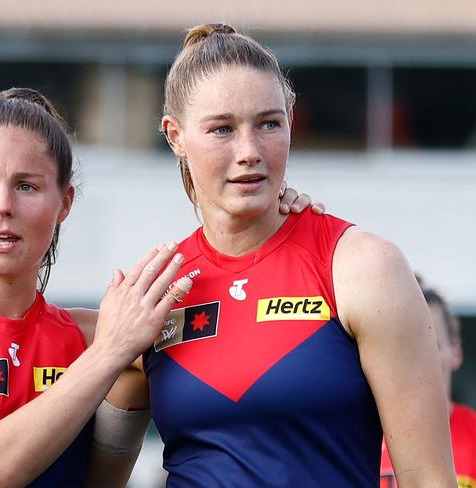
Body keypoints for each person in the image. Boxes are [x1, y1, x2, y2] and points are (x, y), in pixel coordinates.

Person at [0, 87, 315, 487]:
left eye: (27, 186)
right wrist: (112, 352)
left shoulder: (98, 338)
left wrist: (274, 217)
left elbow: (258, 339)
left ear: (64, 203)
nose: (2, 206)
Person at [102, 23, 456, 487]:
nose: (249, 151)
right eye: (222, 129)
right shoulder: (153, 295)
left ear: (290, 118)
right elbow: (95, 477)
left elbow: (430, 479)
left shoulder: (363, 267)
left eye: (268, 123)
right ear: (175, 136)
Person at [380, 286, 476, 488]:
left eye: (432, 345)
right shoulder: (359, 440)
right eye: (404, 345)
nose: (418, 358)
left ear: (456, 353)